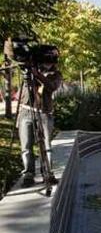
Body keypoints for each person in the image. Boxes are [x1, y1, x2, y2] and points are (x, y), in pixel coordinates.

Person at [17, 47, 62, 187]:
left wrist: (38, 75)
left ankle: (47, 173)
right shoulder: (28, 69)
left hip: (44, 113)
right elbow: (14, 56)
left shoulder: (56, 74)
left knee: (46, 145)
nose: (48, 61)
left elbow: (51, 87)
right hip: (26, 111)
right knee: (26, 146)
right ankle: (28, 174)